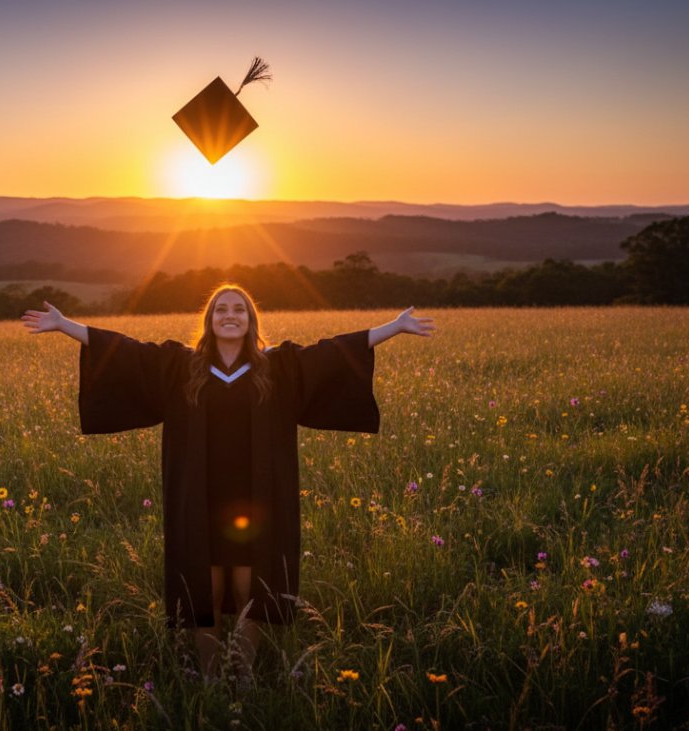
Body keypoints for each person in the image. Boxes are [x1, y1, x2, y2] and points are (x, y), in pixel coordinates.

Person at [23, 284, 433, 679]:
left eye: (239, 309)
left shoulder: (277, 367)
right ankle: (210, 676)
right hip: (200, 498)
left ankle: (245, 673)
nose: (230, 315)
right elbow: (126, 352)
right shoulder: (182, 366)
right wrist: (65, 324)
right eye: (222, 309)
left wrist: (393, 327)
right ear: (210, 319)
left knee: (248, 593)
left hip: (258, 499)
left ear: (251, 319)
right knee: (206, 594)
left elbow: (332, 353)